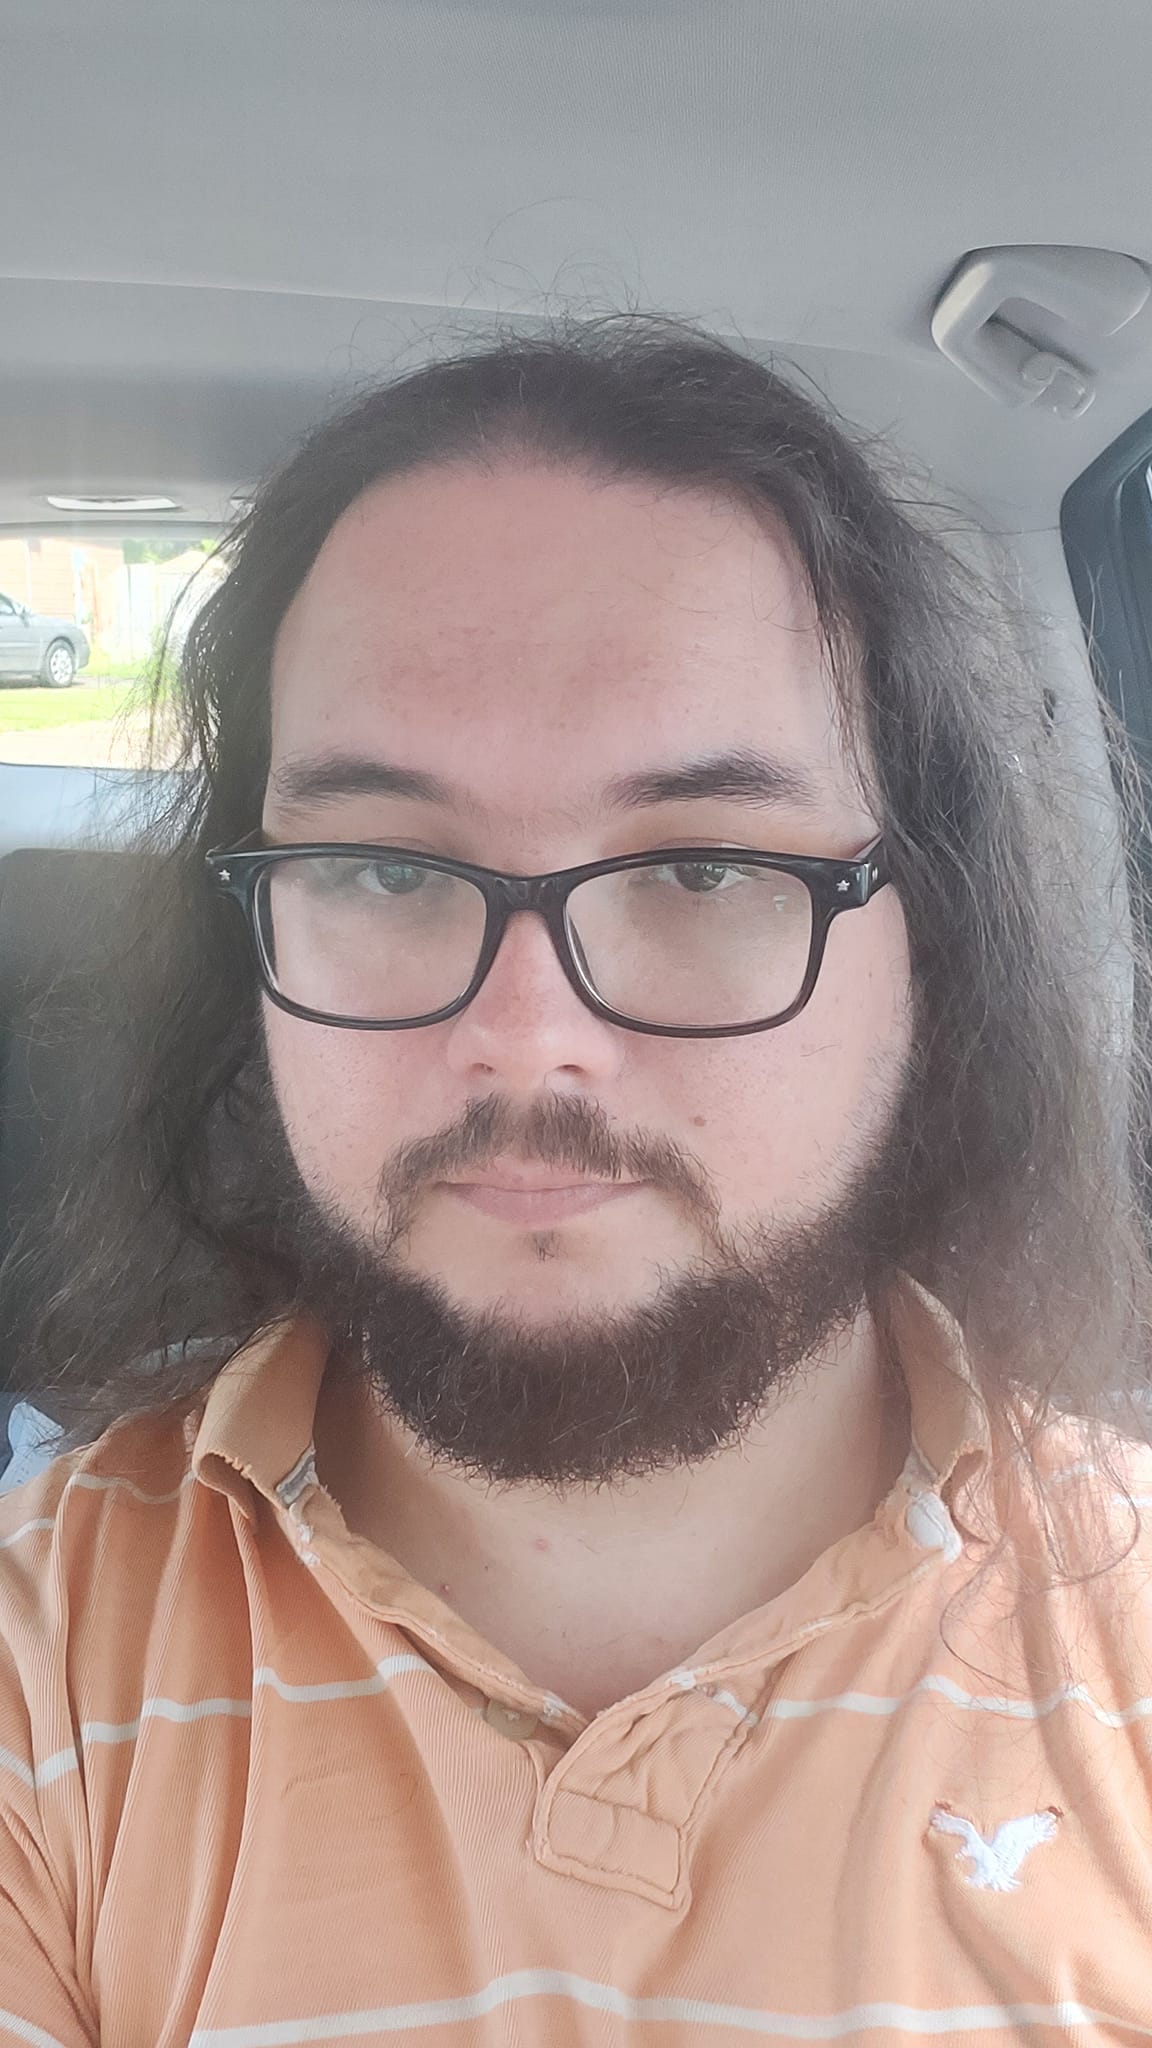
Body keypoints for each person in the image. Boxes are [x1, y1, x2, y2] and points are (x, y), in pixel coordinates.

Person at [2, 315, 1152, 2043]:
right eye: (383, 868)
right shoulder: (36, 1669)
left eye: (701, 865)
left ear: (939, 950)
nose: (526, 1040)